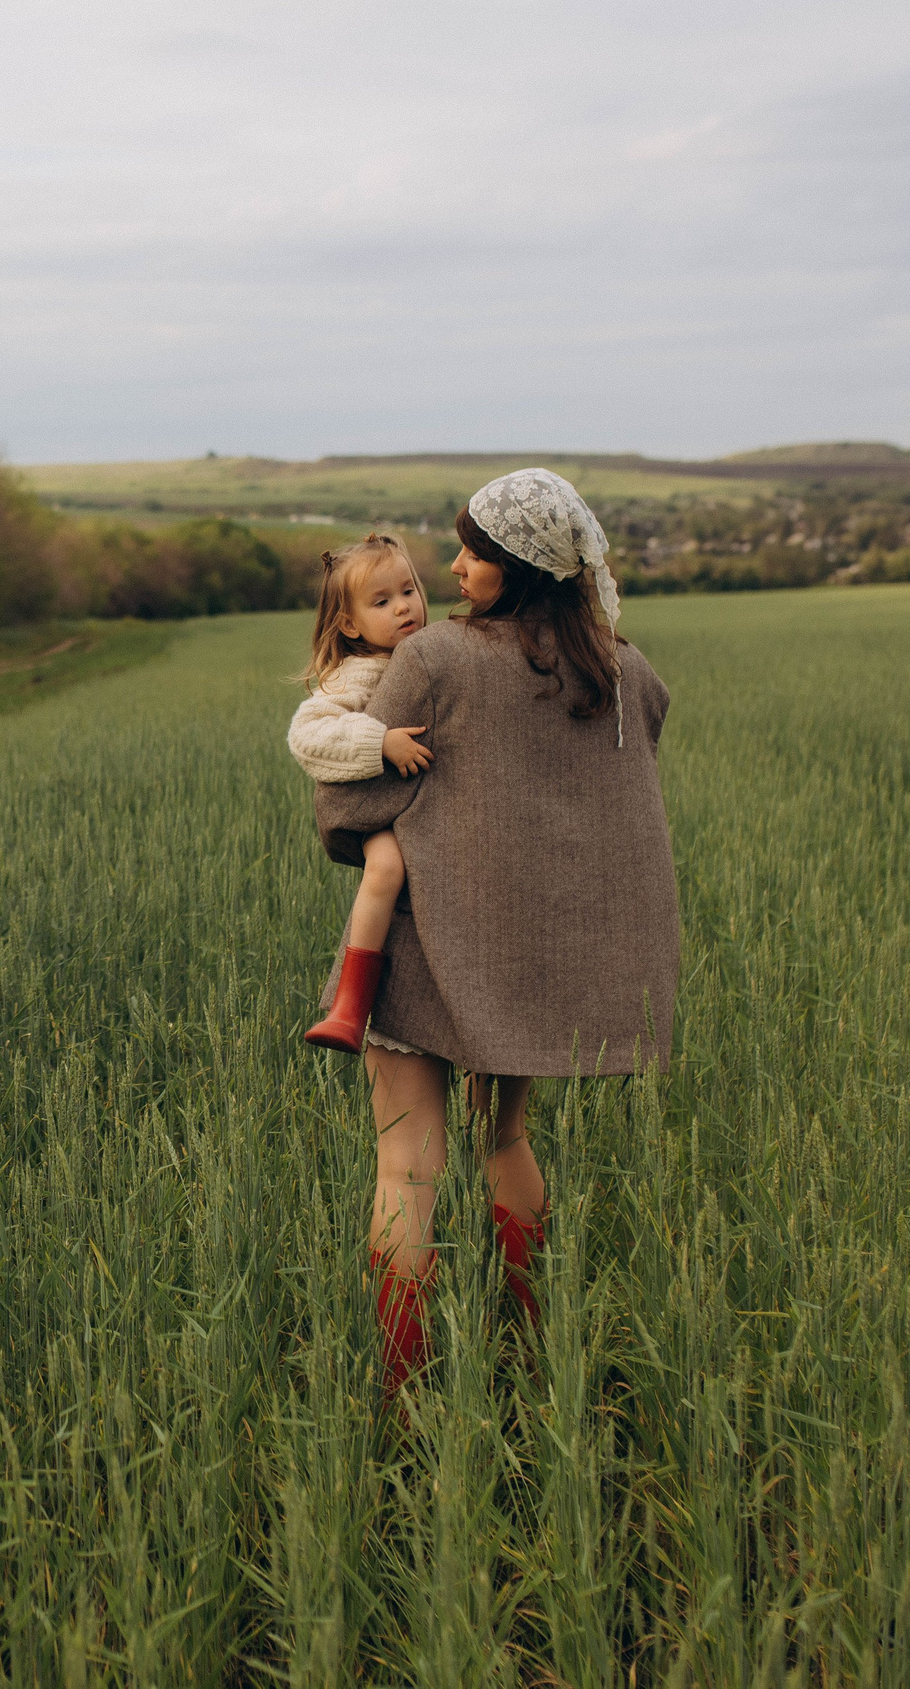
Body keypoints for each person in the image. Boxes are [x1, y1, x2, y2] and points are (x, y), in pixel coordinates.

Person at [311, 469, 680, 1394]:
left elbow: (345, 798)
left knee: (407, 1170)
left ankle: (406, 1393)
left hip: (423, 954)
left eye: (472, 550)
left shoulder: (436, 656)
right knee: (506, 1143)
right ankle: (534, 1350)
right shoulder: (624, 668)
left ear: (516, 566)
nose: (454, 565)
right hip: (529, 969)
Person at [285, 533, 436, 1052]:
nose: (403, 607)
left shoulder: (429, 652)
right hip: (383, 816)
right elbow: (307, 735)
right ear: (349, 625)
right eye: (381, 601)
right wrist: (380, 741)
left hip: (428, 808)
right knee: (388, 867)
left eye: (408, 590)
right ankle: (351, 1004)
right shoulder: (360, 672)